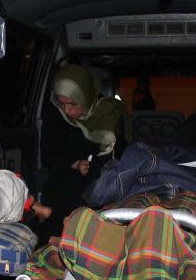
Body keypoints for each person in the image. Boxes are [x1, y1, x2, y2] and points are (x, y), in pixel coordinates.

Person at [37, 63, 131, 242]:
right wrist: (73, 163)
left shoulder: (108, 112)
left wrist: (97, 164)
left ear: (85, 96)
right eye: (61, 102)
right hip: (63, 185)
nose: (66, 110)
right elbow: (49, 155)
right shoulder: (55, 116)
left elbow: (121, 155)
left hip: (100, 185)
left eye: (72, 103)